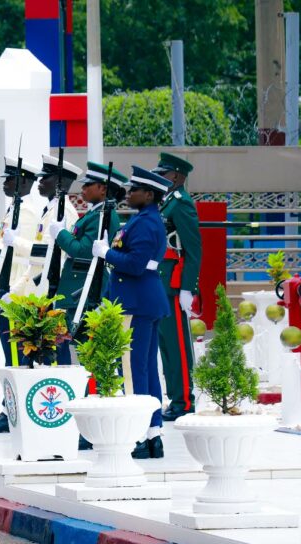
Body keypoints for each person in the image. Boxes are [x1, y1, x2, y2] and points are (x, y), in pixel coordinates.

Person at [91, 166, 172, 459]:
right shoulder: (143, 220)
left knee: (133, 370)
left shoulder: (147, 223)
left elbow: (136, 265)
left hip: (136, 303)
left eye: (135, 189)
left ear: (149, 195)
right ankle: (153, 434)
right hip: (141, 300)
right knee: (147, 371)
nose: (129, 193)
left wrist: (106, 254)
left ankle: (140, 435)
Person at [0, 156, 43, 434]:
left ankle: (12, 411)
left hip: (17, 293)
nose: (6, 184)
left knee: (16, 359)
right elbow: (4, 251)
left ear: (24, 182)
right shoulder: (13, 209)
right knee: (10, 356)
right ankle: (10, 409)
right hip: (5, 289)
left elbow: (25, 254)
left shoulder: (26, 213)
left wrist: (13, 292)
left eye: (11, 179)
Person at [9, 154, 80, 363]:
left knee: (54, 353)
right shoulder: (50, 209)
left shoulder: (63, 211)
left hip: (53, 290)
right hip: (41, 288)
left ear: (59, 182)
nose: (39, 182)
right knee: (40, 353)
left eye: (45, 178)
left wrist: (16, 242)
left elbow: (47, 254)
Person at [48, 162, 125, 348]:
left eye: (88, 185)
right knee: (80, 349)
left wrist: (61, 234)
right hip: (80, 287)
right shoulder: (95, 213)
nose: (82, 189)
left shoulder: (103, 215)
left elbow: (83, 251)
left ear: (103, 189)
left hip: (86, 290)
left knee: (87, 350)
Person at [153, 153, 201, 422]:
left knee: (178, 344)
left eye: (164, 173)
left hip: (174, 283)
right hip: (162, 280)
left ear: (177, 176)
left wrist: (188, 288)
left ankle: (184, 400)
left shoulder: (182, 204)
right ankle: (174, 397)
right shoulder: (166, 202)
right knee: (166, 345)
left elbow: (193, 249)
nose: (160, 177)